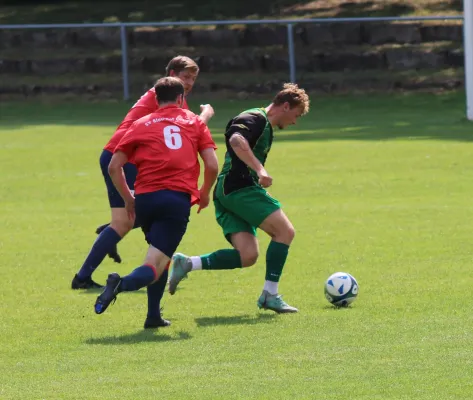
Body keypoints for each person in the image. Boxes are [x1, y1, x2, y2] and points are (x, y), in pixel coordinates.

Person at [72, 55, 214, 292]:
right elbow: (191, 127)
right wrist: (207, 115)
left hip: (125, 156)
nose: (189, 83)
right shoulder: (167, 97)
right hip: (123, 158)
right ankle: (95, 258)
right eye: (185, 77)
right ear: (171, 74)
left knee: (139, 214)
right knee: (165, 205)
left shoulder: (167, 96)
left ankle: (93, 260)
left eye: (193, 79)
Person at [168, 83, 310, 313]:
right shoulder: (256, 117)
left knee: (248, 255)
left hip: (227, 192)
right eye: (295, 115)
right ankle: (269, 295)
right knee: (285, 232)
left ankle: (187, 263)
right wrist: (260, 169)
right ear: (285, 106)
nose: (294, 122)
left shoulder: (263, 124)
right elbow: (236, 140)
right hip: (239, 188)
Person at [93, 76, 219, 329]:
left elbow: (114, 166)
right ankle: (121, 283)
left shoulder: (141, 123)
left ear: (156, 98)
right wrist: (204, 193)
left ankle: (153, 316)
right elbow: (212, 165)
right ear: (181, 98)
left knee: (161, 255)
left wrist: (129, 200)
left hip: (146, 199)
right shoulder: (193, 121)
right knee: (155, 263)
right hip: (175, 200)